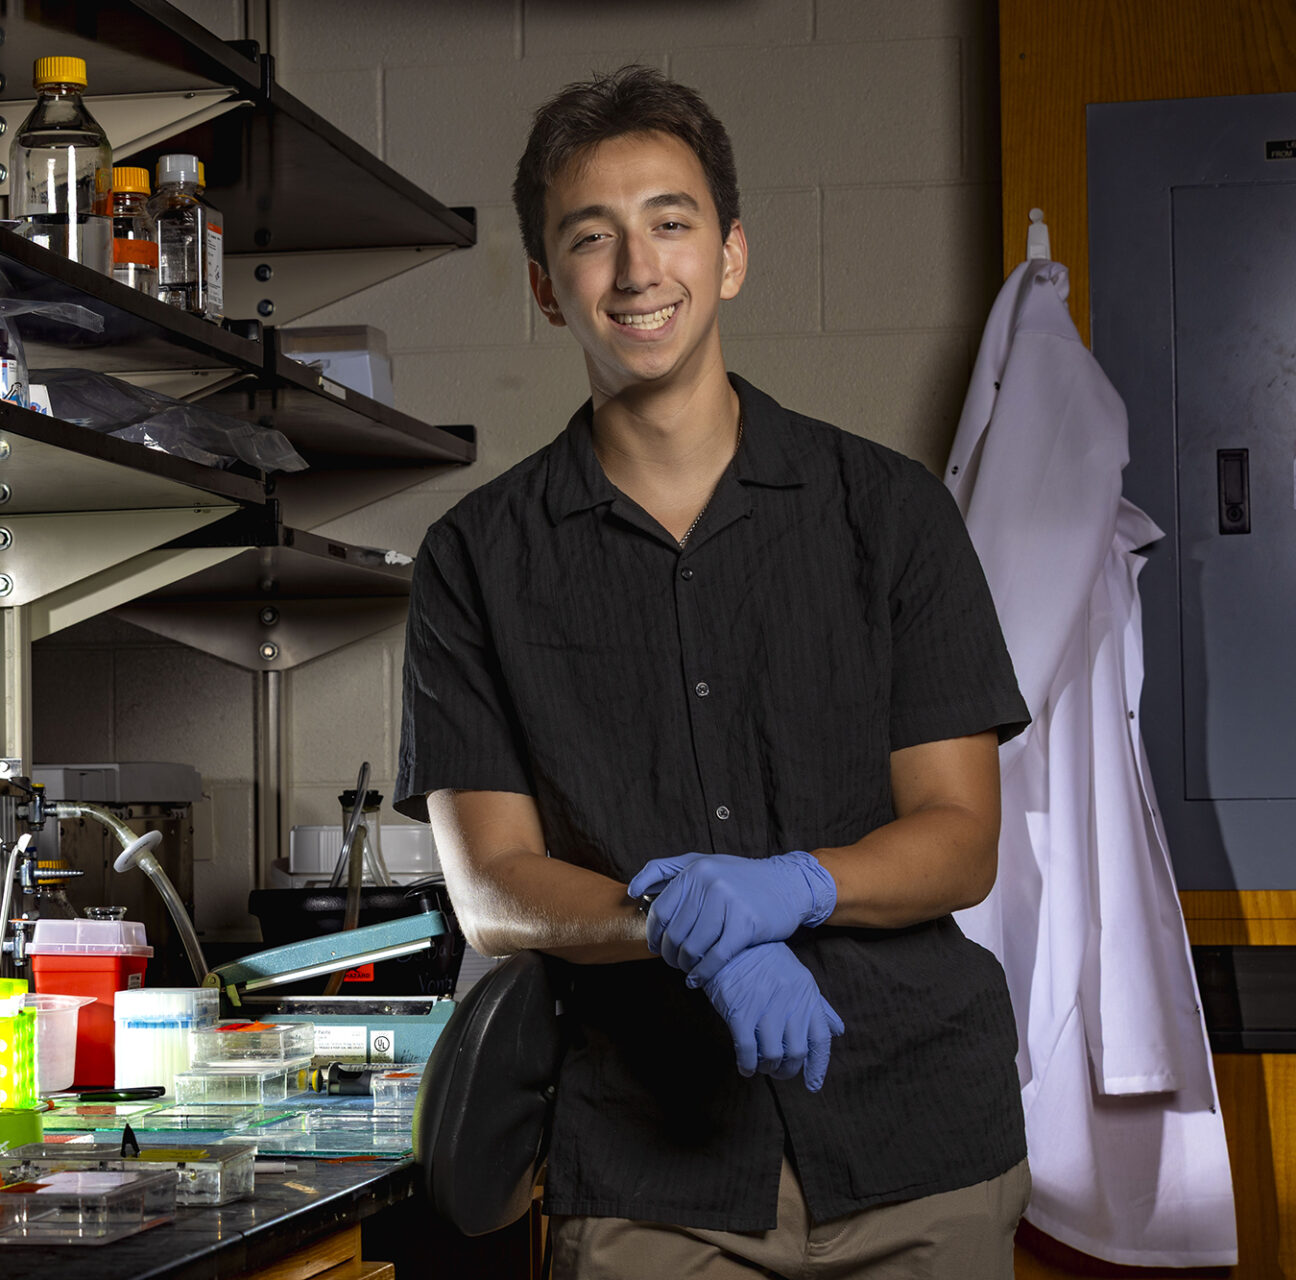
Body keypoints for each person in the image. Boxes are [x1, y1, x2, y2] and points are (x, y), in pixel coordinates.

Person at [393, 67, 1032, 1278]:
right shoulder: (475, 559)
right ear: (546, 286)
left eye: (671, 223)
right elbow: (494, 889)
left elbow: (960, 836)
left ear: (730, 254)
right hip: (648, 1170)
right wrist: (691, 930)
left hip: (917, 1138)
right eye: (593, 237)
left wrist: (788, 887)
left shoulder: (890, 514)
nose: (638, 270)